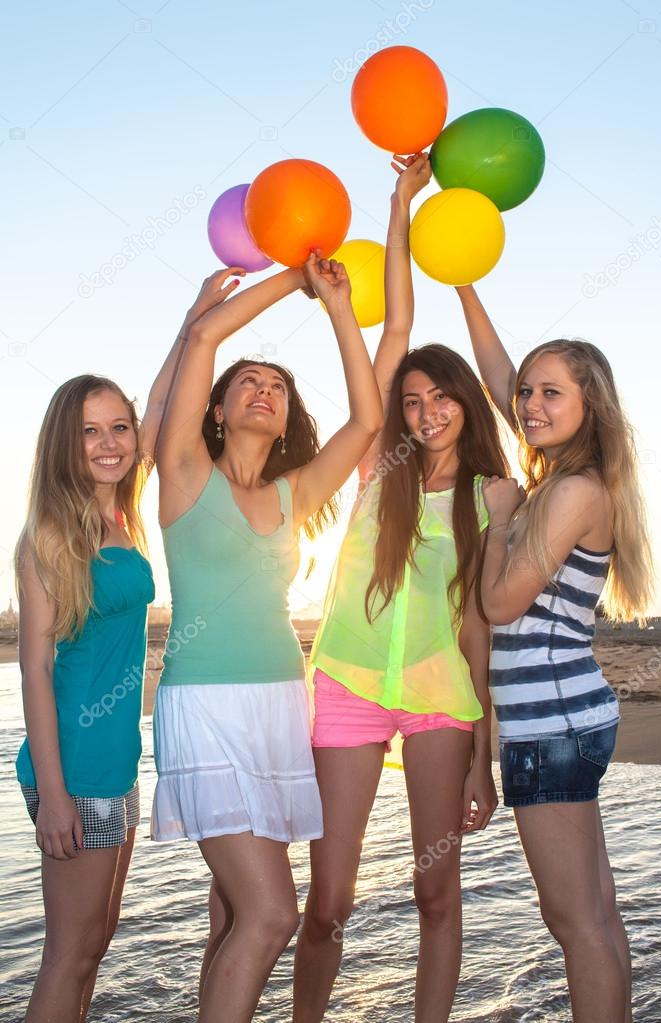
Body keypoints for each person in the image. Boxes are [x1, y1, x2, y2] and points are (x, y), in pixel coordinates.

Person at [292, 156, 509, 1023]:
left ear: (464, 401)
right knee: (330, 899)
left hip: (441, 703)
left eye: (440, 396)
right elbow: (398, 324)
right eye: (411, 398)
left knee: (435, 892)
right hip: (344, 686)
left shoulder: (494, 497)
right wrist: (399, 203)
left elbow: (477, 630)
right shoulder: (376, 470)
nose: (424, 411)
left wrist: (483, 753)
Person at [150, 255, 383, 1022]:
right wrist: (297, 276)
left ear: (285, 417)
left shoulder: (293, 494)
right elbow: (208, 333)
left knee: (233, 912)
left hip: (283, 706)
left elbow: (368, 422)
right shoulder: (184, 472)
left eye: (277, 387)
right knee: (273, 912)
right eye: (248, 381)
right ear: (216, 410)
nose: (264, 390)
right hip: (207, 707)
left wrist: (341, 306)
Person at [14, 275, 234, 1022]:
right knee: (69, 953)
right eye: (90, 431)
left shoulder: (120, 511)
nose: (110, 443)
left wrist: (196, 315)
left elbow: (164, 401)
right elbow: (36, 669)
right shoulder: (49, 534)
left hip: (115, 760)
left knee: (96, 942)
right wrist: (53, 795)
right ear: (64, 444)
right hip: (71, 767)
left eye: (118, 428)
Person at [458, 284, 653, 1023]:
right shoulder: (568, 477)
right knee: (595, 911)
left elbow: (499, 603)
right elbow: (495, 368)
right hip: (570, 716)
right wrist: (463, 276)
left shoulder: (570, 490)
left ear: (588, 405)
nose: (531, 404)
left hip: (553, 726)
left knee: (575, 921)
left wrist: (500, 522)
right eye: (527, 393)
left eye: (551, 393)